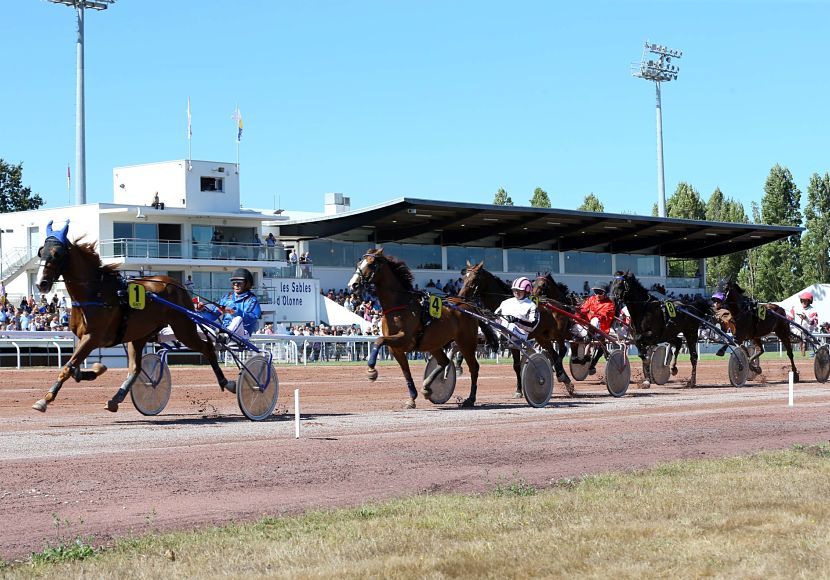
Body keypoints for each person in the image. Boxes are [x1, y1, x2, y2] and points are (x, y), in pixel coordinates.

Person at [197, 268, 262, 341]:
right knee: (197, 321)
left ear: (247, 284)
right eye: (234, 282)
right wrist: (202, 310)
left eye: (239, 282)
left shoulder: (252, 300)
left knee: (238, 319)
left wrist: (234, 312)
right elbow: (212, 315)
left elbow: (252, 318)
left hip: (242, 334)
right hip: (223, 332)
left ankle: (224, 337)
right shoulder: (226, 298)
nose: (236, 285)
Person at [573, 284, 616, 374]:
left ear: (605, 293)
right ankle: (577, 336)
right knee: (574, 319)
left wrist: (590, 312)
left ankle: (588, 337)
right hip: (588, 327)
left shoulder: (609, 304)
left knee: (595, 319)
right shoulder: (591, 299)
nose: (597, 294)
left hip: (601, 329)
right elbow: (583, 309)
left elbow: (602, 316)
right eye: (596, 292)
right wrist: (578, 310)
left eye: (599, 293)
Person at [494, 277, 538, 347]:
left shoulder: (532, 305)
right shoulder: (505, 302)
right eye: (514, 290)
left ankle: (503, 338)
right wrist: (491, 316)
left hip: (520, 334)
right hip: (502, 329)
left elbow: (533, 325)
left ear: (526, 291)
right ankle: (500, 338)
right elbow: (496, 316)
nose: (516, 292)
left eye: (519, 290)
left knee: (511, 326)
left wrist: (517, 320)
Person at [789, 291, 819, 356]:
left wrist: (806, 318)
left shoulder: (813, 310)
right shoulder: (795, 308)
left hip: (807, 330)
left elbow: (814, 323)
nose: (803, 302)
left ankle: (803, 344)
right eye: (802, 300)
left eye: (806, 300)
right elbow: (790, 317)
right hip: (795, 329)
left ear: (809, 301)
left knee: (803, 331)